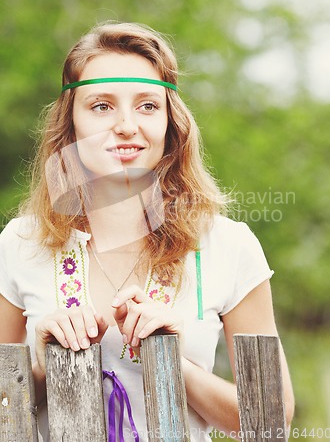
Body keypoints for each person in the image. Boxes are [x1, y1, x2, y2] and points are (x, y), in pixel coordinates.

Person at [0, 22, 294, 441]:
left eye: (147, 106)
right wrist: (42, 369)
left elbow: (272, 419)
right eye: (101, 106)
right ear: (71, 124)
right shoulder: (19, 244)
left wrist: (173, 361)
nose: (125, 125)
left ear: (171, 122)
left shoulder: (229, 245)